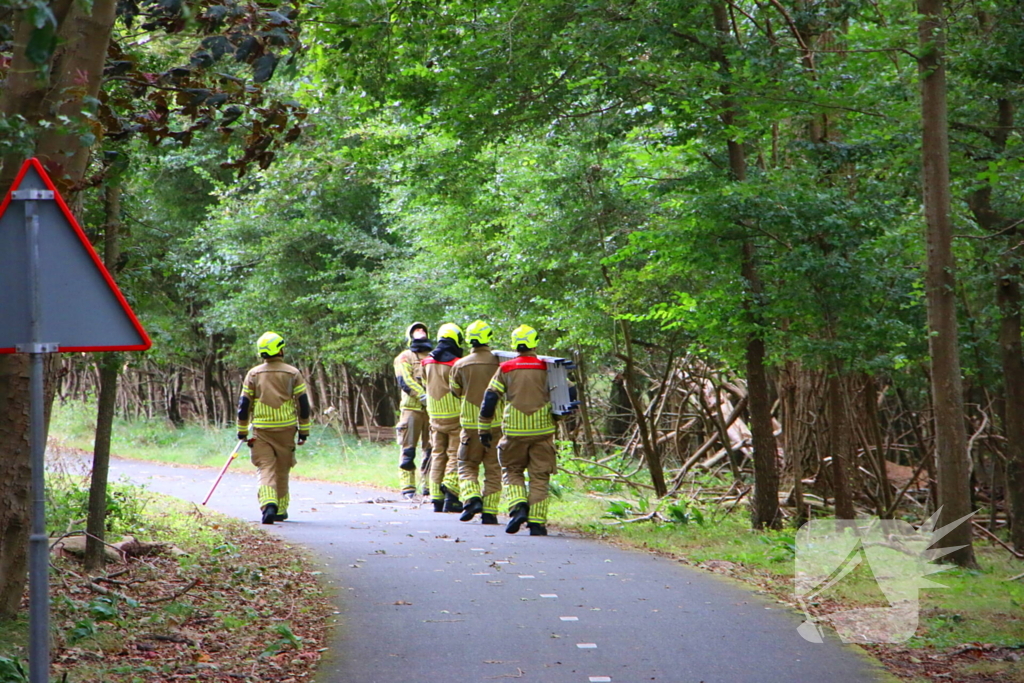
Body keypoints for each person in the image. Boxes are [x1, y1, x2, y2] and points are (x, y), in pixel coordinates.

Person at [479, 325, 556, 536]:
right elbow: (568, 393)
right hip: (543, 431)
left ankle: (518, 506)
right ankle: (537, 524)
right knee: (539, 477)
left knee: (512, 470)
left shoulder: (505, 368)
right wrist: (558, 417)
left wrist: (484, 428)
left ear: (514, 344)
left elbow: (490, 398)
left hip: (514, 431)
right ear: (535, 342)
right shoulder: (548, 367)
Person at [236, 331, 311, 524]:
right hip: (287, 429)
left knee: (265, 467)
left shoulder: (253, 374)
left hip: (261, 430)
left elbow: (244, 405)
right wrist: (304, 430)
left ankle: (269, 504)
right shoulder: (293, 373)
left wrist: (242, 431)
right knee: (283, 468)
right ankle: (281, 509)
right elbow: (303, 405)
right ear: (280, 350)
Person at [449, 320, 502, 524]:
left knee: (467, 464)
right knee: (493, 468)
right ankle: (490, 512)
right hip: (497, 424)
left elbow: (455, 391)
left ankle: (471, 499)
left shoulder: (460, 365)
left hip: (470, 425)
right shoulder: (500, 363)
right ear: (489, 337)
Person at [423, 323, 465, 513]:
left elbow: (426, 384)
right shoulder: (457, 363)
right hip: (455, 415)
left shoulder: (427, 362)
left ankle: (436, 498)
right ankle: (451, 494)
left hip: (434, 416)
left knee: (438, 454)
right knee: (454, 454)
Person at [393, 322, 433, 500]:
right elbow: (405, 380)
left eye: (423, 329)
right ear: (410, 335)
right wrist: (423, 396)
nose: (421, 331)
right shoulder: (404, 357)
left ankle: (429, 486)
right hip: (411, 409)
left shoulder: (434, 356)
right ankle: (408, 487)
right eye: (417, 330)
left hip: (432, 410)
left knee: (431, 449)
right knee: (408, 449)